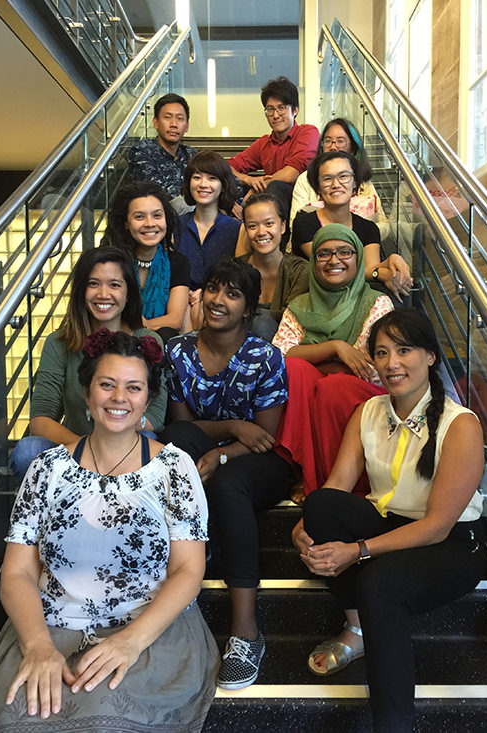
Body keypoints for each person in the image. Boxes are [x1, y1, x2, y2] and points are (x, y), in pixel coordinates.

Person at [0, 330, 219, 732]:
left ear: (147, 399)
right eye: (106, 384)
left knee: (108, 718)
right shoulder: (46, 470)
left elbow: (188, 572)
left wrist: (130, 642)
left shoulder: (175, 470)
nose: (118, 398)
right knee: (18, 718)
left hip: (145, 628)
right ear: (87, 394)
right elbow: (17, 572)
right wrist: (37, 645)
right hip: (50, 625)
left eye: (133, 387)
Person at [293, 308, 485, 733]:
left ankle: (395, 724)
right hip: (390, 524)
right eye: (381, 353)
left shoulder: (461, 424)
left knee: (379, 584)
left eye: (404, 350)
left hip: (451, 543)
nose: (392, 363)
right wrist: (305, 527)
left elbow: (436, 525)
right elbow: (338, 485)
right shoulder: (369, 412)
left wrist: (357, 550)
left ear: (431, 356)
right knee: (321, 505)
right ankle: (358, 629)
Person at [160, 257, 294, 691]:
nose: (219, 301)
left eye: (233, 294)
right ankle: (168, 592)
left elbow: (266, 438)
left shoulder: (265, 357)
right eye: (214, 289)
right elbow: (182, 426)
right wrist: (232, 427)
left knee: (229, 484)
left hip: (259, 464)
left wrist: (222, 454)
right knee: (176, 443)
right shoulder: (177, 351)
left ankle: (246, 633)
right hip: (205, 448)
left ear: (249, 308)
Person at [9, 246, 168, 482]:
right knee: (27, 451)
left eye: (114, 285)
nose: (103, 294)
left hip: (126, 447)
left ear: (128, 293)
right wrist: (87, 451)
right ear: (81, 291)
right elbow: (41, 420)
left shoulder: (147, 340)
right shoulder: (58, 343)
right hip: (72, 449)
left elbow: (155, 414)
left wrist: (112, 441)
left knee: (148, 439)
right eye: (93, 284)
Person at [273, 224, 394, 496]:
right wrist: (336, 348)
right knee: (296, 371)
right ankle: (303, 470)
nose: (334, 260)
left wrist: (316, 358)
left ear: (358, 258)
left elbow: (370, 368)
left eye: (344, 252)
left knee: (332, 387)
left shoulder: (377, 303)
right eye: (324, 254)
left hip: (360, 395)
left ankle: (331, 487)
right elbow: (280, 356)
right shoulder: (300, 306)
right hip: (315, 392)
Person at [291, 151, 412, 302]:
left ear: (355, 183)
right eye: (327, 179)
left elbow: (369, 268)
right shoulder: (304, 224)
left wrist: (392, 259)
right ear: (318, 187)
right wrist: (379, 273)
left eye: (343, 176)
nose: (336, 185)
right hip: (314, 299)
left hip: (355, 298)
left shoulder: (368, 228)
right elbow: (333, 265)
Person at [102, 181, 190, 340]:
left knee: (166, 335)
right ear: (126, 224)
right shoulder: (110, 264)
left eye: (157, 215)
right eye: (139, 217)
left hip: (155, 342)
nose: (150, 224)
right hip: (112, 340)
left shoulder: (178, 262)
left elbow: (175, 320)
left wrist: (142, 326)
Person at [228, 76, 319, 222]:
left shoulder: (308, 133)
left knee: (276, 186)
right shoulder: (264, 143)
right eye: (270, 109)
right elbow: (226, 167)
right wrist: (249, 180)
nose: (275, 115)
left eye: (281, 108)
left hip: (301, 202)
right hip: (271, 201)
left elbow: (290, 175)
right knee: (231, 186)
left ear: (295, 110)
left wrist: (254, 191)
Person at [289, 118, 389, 239]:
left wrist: (353, 236)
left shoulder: (363, 182)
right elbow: (296, 225)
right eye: (328, 141)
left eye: (340, 141)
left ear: (353, 147)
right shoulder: (305, 179)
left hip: (360, 248)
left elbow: (384, 225)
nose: (333, 147)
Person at [177, 151, 242, 331]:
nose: (203, 184)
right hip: (181, 302)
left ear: (223, 185)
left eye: (212, 178)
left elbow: (238, 278)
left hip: (220, 303)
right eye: (197, 177)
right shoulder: (175, 226)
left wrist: (206, 295)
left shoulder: (236, 229)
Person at [240, 192, 308, 340]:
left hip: (285, 348)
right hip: (238, 348)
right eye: (252, 226)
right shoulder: (236, 269)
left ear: (282, 226)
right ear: (245, 230)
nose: (261, 232)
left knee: (260, 324)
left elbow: (291, 319)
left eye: (269, 223)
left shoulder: (300, 270)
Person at [128, 93, 197, 214]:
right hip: (154, 218)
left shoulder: (191, 154)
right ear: (155, 123)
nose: (174, 124)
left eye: (180, 119)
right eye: (167, 117)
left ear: (186, 126)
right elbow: (160, 194)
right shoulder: (142, 152)